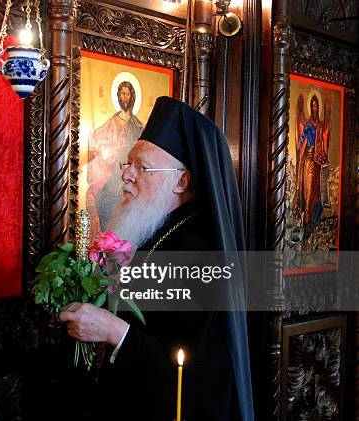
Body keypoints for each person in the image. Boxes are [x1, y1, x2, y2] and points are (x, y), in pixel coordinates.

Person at [60, 97, 254, 421]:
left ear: (181, 181)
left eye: (142, 167)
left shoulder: (200, 255)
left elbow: (195, 374)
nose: (126, 176)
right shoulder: (152, 233)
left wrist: (114, 332)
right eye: (128, 163)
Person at [86, 81, 144, 237]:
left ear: (132, 96)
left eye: (127, 93)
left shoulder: (138, 126)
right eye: (122, 93)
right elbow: (98, 137)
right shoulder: (110, 123)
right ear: (118, 97)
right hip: (112, 177)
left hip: (129, 178)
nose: (125, 96)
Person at [294, 94, 331, 240]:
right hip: (309, 163)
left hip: (318, 165)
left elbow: (325, 147)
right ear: (310, 107)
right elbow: (302, 146)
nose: (314, 108)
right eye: (313, 105)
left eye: (316, 105)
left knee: (317, 198)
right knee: (308, 197)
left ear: (318, 107)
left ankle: (310, 231)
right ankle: (305, 229)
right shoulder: (308, 125)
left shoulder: (321, 126)